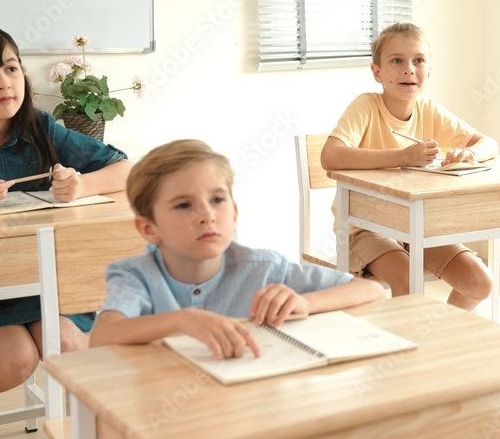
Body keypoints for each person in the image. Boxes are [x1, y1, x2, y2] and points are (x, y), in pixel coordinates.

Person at [0, 24, 132, 398]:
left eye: (11, 68)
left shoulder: (43, 129)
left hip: (42, 279)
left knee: (71, 347)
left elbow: (126, 168)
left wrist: (82, 184)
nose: (4, 83)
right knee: (11, 359)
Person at [89, 139, 385, 358]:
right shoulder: (135, 276)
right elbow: (102, 336)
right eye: (183, 205)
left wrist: (305, 304)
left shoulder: (264, 267)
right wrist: (182, 319)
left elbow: (370, 290)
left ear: (234, 212)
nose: (207, 214)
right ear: (149, 229)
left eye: (217, 200)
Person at [320, 22, 497, 310]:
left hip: (415, 226)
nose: (409, 69)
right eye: (396, 61)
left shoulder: (429, 109)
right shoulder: (365, 106)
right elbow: (330, 156)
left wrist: (469, 154)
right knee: (408, 280)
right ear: (377, 72)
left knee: (480, 282)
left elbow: (489, 143)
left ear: (429, 70)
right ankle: (405, 350)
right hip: (363, 229)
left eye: (418, 60)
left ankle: (435, 341)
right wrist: (404, 157)